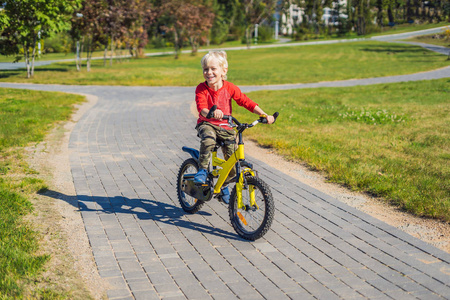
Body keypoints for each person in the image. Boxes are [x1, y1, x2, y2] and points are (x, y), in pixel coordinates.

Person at [193, 50, 274, 203]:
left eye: (213, 69)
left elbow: (245, 101)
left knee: (233, 163)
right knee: (209, 140)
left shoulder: (230, 88)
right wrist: (211, 113)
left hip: (226, 127)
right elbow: (201, 107)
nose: (208, 72)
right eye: (205, 69)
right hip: (207, 123)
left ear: (224, 71)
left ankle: (222, 185)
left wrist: (263, 114)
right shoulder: (201, 89)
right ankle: (203, 170)